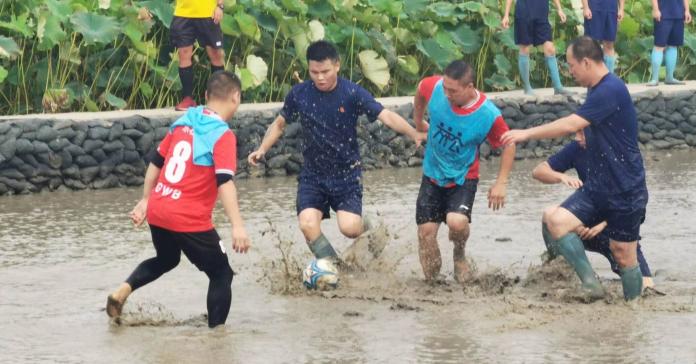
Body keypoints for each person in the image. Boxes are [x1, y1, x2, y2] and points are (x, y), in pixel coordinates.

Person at [247, 40, 424, 265]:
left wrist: (413, 132)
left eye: (326, 72)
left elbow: (386, 115)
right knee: (307, 224)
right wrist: (262, 149)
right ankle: (335, 268)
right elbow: (279, 124)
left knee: (350, 229)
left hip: (346, 174)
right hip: (313, 175)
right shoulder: (299, 94)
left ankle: (369, 228)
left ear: (337, 65)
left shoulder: (352, 93)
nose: (320, 77)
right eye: (314, 72)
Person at [502, 36, 648, 301]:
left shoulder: (610, 89)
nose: (570, 72)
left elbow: (571, 123)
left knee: (623, 254)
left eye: (571, 66)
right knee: (556, 220)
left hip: (625, 187)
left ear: (586, 62)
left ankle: (634, 310)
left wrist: (526, 133)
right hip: (598, 187)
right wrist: (584, 132)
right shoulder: (595, 89)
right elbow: (586, 123)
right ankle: (591, 285)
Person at [106, 71, 251, 328]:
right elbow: (225, 182)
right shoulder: (223, 135)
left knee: (166, 259)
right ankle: (217, 339)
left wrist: (146, 199)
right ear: (236, 97)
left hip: (159, 208)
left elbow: (155, 163)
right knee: (221, 273)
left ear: (206, 95)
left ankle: (123, 290)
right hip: (187, 217)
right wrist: (237, 225)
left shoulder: (184, 121)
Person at [413, 60, 516, 283]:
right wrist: (418, 121)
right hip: (432, 173)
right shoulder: (437, 87)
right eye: (445, 88)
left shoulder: (488, 114)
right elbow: (421, 89)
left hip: (463, 177)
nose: (447, 94)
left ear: (469, 87)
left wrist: (501, 183)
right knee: (426, 233)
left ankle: (459, 254)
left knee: (456, 222)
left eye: (453, 91)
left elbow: (508, 144)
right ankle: (432, 285)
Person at [533, 133, 654, 289]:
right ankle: (562, 272)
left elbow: (638, 206)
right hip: (585, 226)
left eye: (582, 133)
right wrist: (560, 176)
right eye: (576, 132)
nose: (577, 138)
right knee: (550, 214)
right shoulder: (577, 148)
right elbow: (538, 171)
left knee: (647, 288)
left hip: (616, 230)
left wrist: (603, 224)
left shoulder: (622, 154)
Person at [142, 0, 227, 110]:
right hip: (183, 13)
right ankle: (188, 99)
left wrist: (220, 6)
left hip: (208, 13)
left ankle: (219, 97)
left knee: (215, 54)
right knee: (183, 54)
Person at [501, 0, 573, 95]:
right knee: (525, 48)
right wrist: (506, 15)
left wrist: (559, 9)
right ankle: (527, 88)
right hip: (524, 13)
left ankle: (558, 87)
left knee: (550, 49)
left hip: (541, 14)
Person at [646, 0, 692, 86]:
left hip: (679, 14)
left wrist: (687, 10)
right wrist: (655, 9)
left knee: (673, 45)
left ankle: (670, 77)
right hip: (662, 14)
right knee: (659, 46)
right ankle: (654, 79)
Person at [582, 0, 625, 74]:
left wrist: (621, 9)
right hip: (594, 8)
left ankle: (608, 76)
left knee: (609, 44)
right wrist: (585, 7)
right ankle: (590, 76)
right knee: (590, 44)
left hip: (611, 8)